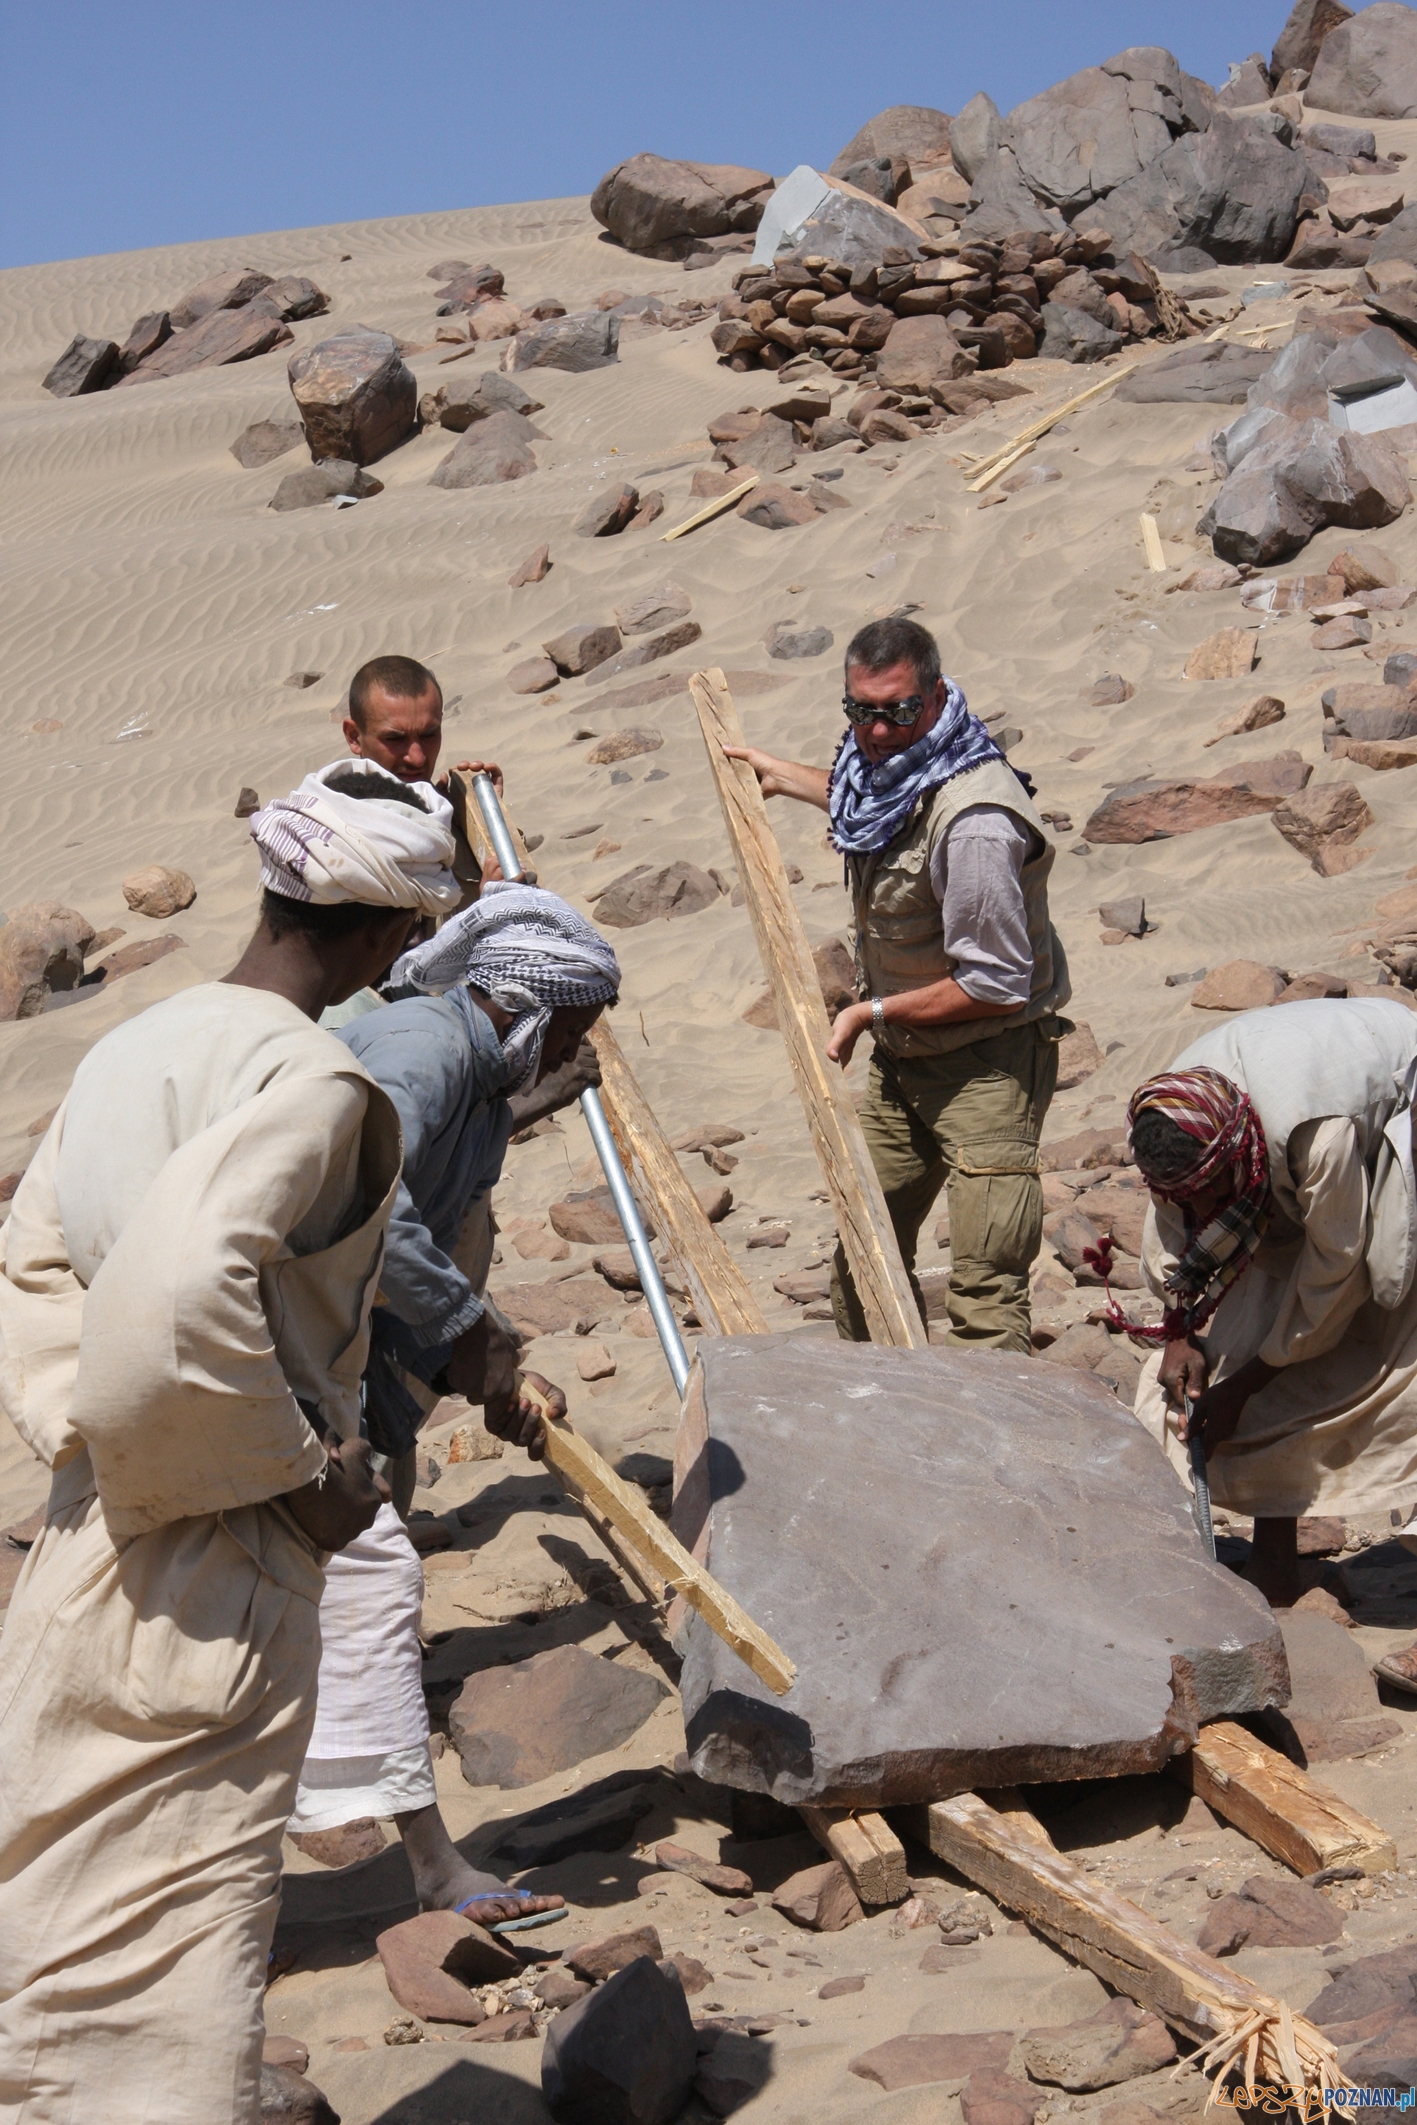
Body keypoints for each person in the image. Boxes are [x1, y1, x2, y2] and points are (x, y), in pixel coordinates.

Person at [0, 758, 496, 2123]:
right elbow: (182, 1289)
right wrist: (296, 1479)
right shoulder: (318, 1083)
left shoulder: (130, 1050)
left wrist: (90, 1437)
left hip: (88, 1534)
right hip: (216, 1575)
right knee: (172, 1969)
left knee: (56, 1927)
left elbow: (35, 1279)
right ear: (392, 935)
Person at [289, 883, 623, 1917]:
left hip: (346, 1366)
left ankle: (402, 1856)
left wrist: (477, 1380)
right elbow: (371, 1221)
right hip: (278, 1358)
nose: (574, 1052)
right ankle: (428, 1866)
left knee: (341, 1596)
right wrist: (473, 1337)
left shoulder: (479, 1086)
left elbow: (421, 1270)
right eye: (569, 1028)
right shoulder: (425, 1052)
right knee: (366, 1588)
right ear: (523, 1005)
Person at [725, 615, 1070, 1353]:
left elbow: (998, 982)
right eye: (861, 711)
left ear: (936, 697)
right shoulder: (883, 772)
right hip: (905, 1060)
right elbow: (879, 811)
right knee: (864, 1261)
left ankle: (991, 1454)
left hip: (987, 1066)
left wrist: (867, 1012)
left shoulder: (975, 821)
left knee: (984, 1294)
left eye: (897, 711)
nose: (876, 732)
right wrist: (781, 775)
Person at [1124, 996, 1417, 1614]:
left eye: (1211, 1195)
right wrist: (1181, 1334)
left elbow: (1336, 1272)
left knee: (1394, 1300)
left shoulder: (1320, 1134)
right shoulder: (1175, 1117)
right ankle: (1275, 1567)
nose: (1202, 1214)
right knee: (1242, 1330)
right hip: (1274, 1143)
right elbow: (1176, 1229)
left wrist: (1251, 1382)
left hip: (1394, 1097)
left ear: (1238, 1156)